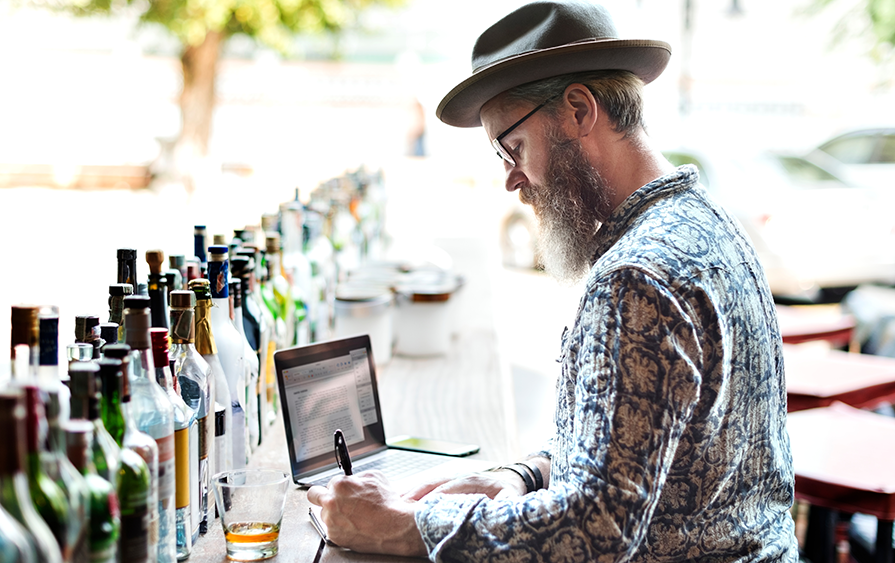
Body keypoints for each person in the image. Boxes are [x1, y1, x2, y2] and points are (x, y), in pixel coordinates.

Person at [308, 1, 799, 561]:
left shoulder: (637, 278)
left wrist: (403, 522)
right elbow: (644, 446)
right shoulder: (708, 222)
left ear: (577, 111)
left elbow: (594, 530)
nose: (512, 179)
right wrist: (526, 474)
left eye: (511, 148)